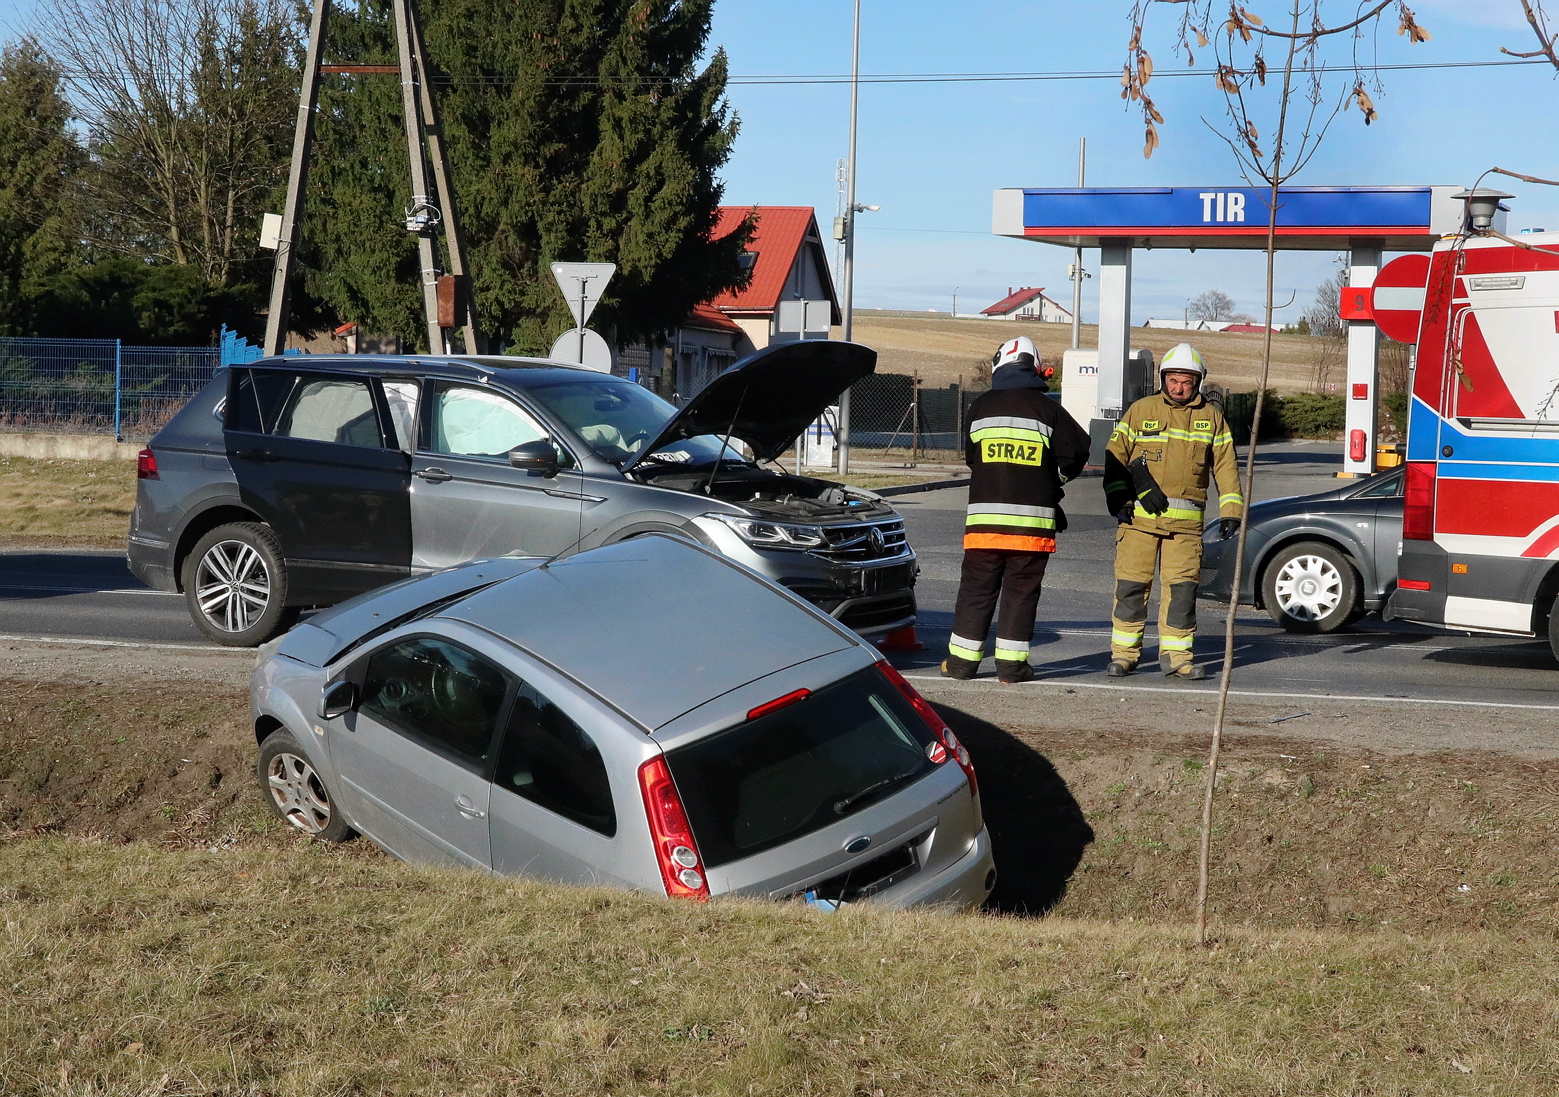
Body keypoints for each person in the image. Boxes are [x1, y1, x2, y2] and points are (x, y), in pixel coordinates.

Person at [943, 336, 1090, 684]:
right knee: (1020, 593)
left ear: (999, 367)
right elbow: (1077, 452)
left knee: (976, 591)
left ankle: (961, 664)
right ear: (1035, 368)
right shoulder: (1048, 410)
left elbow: (972, 459)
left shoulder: (979, 407)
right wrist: (1052, 482)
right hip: (1031, 526)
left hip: (984, 527)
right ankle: (1011, 668)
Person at [1103, 342, 1243, 680]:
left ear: (1198, 382)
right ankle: (1124, 655)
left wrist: (1231, 509)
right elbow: (1114, 456)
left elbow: (1226, 466)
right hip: (1139, 523)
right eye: (1173, 380)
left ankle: (1178, 657)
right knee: (1131, 589)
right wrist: (1120, 498)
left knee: (1182, 594)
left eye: (1186, 382)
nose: (1179, 388)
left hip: (1186, 528)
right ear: (1163, 379)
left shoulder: (1212, 418)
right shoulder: (1141, 410)